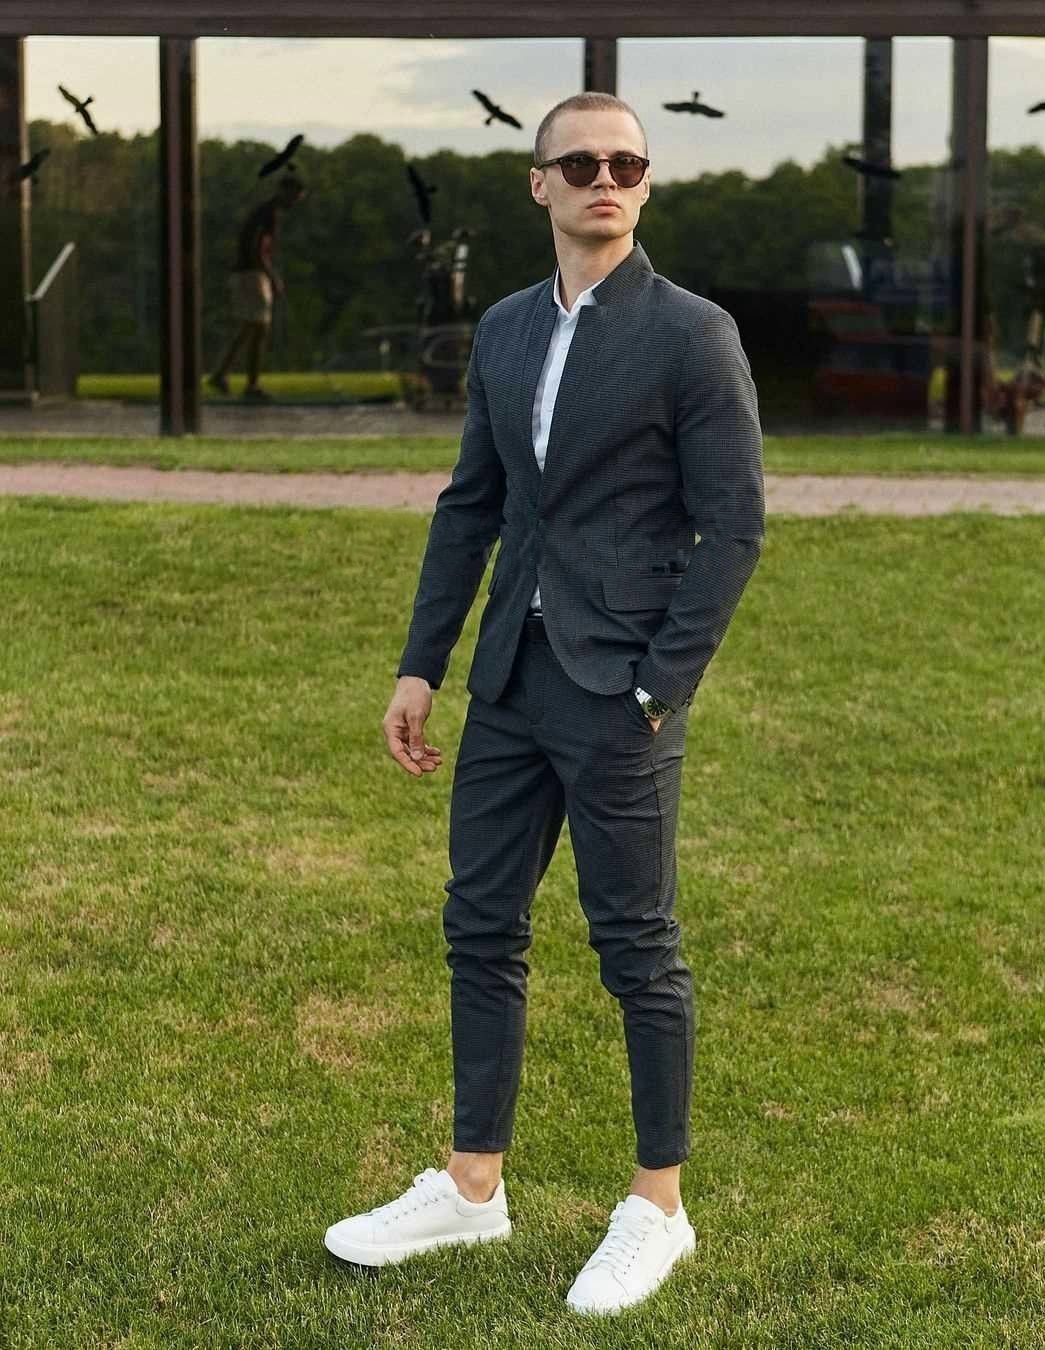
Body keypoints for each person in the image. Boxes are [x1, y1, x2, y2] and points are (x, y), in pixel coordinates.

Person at [324, 92, 765, 1316]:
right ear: (540, 184)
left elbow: (734, 527)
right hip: (510, 682)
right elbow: (472, 503)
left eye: (626, 162)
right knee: (479, 927)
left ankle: (658, 1206)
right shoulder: (507, 328)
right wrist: (421, 664)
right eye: (581, 164)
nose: (605, 179)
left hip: (620, 693)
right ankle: (473, 1187)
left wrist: (659, 687)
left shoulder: (693, 334)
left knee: (637, 948)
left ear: (645, 182)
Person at [205, 174, 307, 401]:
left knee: (250, 327)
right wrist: (272, 277)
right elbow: (256, 248)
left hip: (250, 273)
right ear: (284, 190)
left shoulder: (267, 212)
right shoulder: (267, 213)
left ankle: (221, 375)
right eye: (294, 196)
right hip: (250, 274)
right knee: (258, 328)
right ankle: (251, 385)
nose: (294, 202)